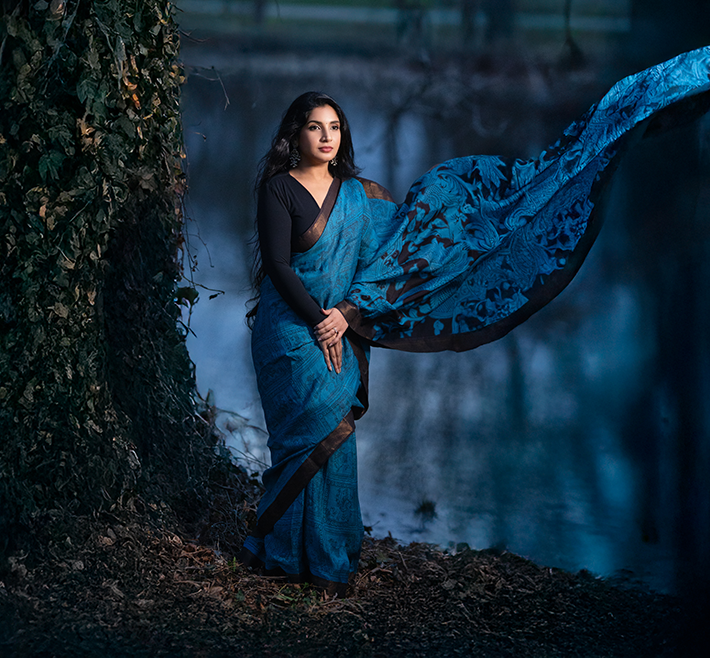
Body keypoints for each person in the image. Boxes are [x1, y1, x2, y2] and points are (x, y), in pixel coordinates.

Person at [239, 49, 710, 595]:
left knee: (336, 444)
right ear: (294, 135)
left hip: (336, 331)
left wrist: (356, 307)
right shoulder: (278, 189)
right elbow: (276, 265)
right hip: (290, 334)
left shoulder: (357, 199)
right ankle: (279, 550)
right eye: (315, 128)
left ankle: (325, 561)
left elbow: (402, 254)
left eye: (335, 127)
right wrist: (322, 321)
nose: (327, 137)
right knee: (299, 442)